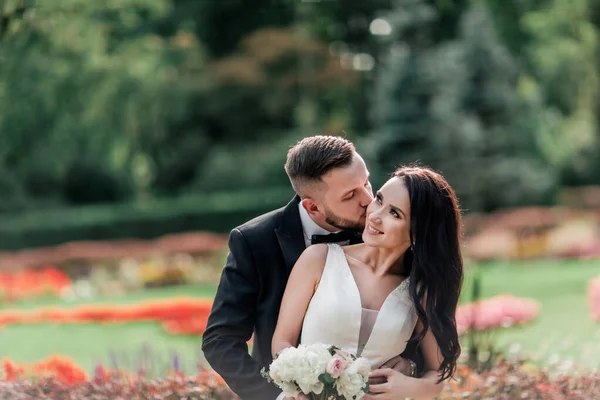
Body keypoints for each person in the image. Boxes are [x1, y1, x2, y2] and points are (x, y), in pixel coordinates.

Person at [202, 136, 422, 400]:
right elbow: (220, 340)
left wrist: (410, 365)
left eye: (366, 183)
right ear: (313, 207)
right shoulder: (254, 241)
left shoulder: (388, 235)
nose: (368, 201)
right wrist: (277, 396)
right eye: (350, 195)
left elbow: (416, 318)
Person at [272, 165, 464, 399]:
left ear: (417, 234)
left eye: (394, 213)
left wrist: (409, 386)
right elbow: (283, 340)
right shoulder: (319, 259)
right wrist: (297, 386)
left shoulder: (421, 290)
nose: (374, 215)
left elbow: (439, 373)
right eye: (379, 199)